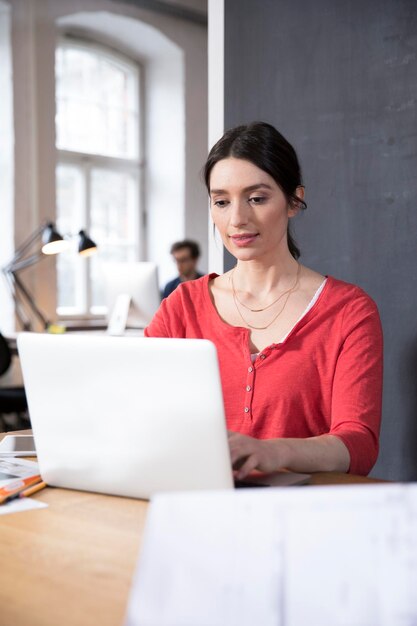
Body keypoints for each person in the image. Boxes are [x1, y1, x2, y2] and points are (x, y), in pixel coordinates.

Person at [146, 122, 383, 479]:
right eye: (221, 202)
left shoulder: (349, 311)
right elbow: (138, 409)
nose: (237, 219)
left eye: (256, 198)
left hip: (301, 518)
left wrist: (273, 451)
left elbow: (358, 445)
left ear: (293, 201)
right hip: (194, 503)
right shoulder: (182, 306)